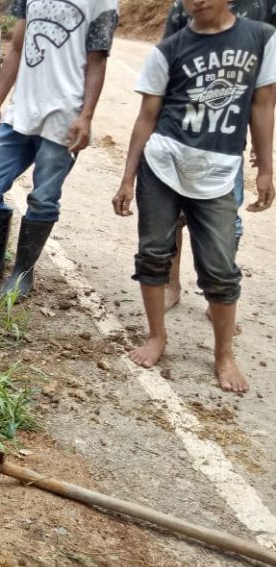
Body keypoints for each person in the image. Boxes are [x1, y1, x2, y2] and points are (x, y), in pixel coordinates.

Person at [111, 0, 275, 393]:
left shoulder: (261, 38)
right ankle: (157, 336)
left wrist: (266, 166)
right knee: (153, 252)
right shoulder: (168, 49)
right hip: (164, 164)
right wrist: (128, 178)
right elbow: (146, 117)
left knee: (220, 268)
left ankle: (224, 354)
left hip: (219, 170)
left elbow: (263, 103)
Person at [0, 0, 118, 301]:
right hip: (21, 112)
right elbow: (15, 49)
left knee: (43, 199)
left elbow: (97, 60)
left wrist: (86, 115)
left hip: (64, 117)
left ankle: (23, 272)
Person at [160, 0, 276, 312]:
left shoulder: (264, 7)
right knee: (172, 214)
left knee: (226, 221)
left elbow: (265, 92)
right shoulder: (183, 7)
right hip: (180, 133)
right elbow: (165, 75)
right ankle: (170, 283)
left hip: (227, 140)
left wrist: (265, 159)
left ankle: (218, 293)